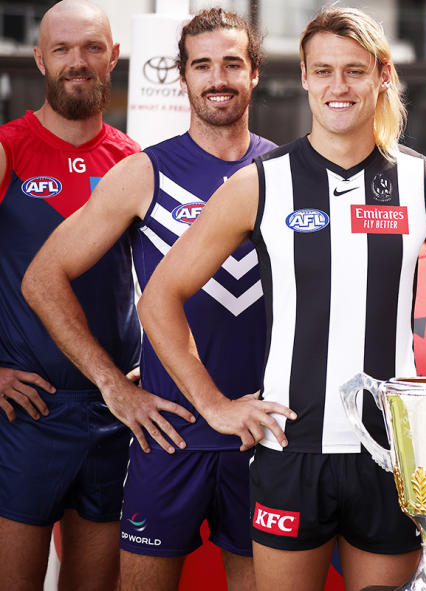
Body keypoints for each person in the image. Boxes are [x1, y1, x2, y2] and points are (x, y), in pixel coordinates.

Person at [136, 6, 426, 590]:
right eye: (324, 71)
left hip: (390, 455)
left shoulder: (424, 183)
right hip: (290, 448)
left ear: (383, 75)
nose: (339, 86)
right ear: (303, 77)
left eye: (355, 71)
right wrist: (213, 404)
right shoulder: (261, 181)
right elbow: (159, 297)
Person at [22, 8, 288, 590]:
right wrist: (113, 385)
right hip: (168, 435)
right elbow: (42, 278)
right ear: (182, 76)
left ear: (254, 74)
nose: (218, 77)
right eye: (202, 65)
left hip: (262, 436)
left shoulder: (289, 174)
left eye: (232, 63)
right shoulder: (144, 172)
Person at [0, 1, 141, 589]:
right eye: (62, 49)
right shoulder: (9, 147)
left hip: (116, 409)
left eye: (90, 48)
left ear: (113, 56)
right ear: (39, 59)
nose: (77, 62)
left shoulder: (133, 161)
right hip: (27, 413)